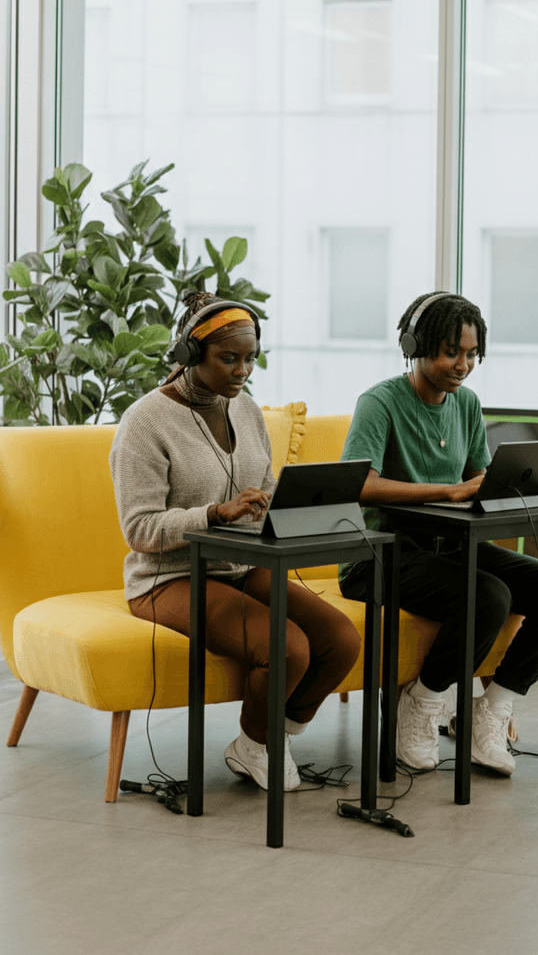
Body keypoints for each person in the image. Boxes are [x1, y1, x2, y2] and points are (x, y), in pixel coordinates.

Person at [109, 291, 361, 792]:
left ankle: (262, 741)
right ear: (188, 354)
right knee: (287, 649)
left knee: (340, 640)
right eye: (229, 358)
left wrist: (276, 504)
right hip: (168, 578)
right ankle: (261, 741)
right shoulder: (144, 422)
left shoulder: (244, 409)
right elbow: (138, 527)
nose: (242, 370)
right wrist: (213, 513)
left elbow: (264, 484)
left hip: (243, 564)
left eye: (250, 359)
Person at [339, 290, 538, 777]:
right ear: (415, 344)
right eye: (452, 351)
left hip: (450, 547)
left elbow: (476, 480)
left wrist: (502, 490)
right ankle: (421, 702)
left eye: (472, 354)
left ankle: (490, 710)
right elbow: (361, 484)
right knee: (488, 595)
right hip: (379, 554)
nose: (463, 365)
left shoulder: (466, 404)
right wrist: (445, 492)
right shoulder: (379, 402)